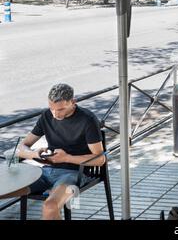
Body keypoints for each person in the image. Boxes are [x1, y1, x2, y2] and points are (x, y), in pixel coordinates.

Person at [0, 84, 105, 220]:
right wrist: (35, 154)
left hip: (74, 174)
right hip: (44, 172)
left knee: (50, 206)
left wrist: (66, 158)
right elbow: (22, 147)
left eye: (61, 109)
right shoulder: (47, 116)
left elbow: (100, 159)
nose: (55, 114)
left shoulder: (87, 120)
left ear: (73, 102)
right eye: (52, 108)